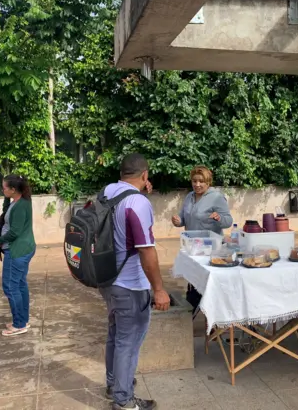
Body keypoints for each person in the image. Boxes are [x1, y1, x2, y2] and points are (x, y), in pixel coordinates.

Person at [101, 153, 170, 410]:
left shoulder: (108, 191)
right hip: (129, 284)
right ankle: (124, 400)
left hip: (107, 279)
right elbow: (145, 249)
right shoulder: (137, 203)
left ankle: (113, 384)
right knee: (128, 343)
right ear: (144, 175)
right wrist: (160, 290)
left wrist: (141, 193)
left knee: (115, 335)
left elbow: (121, 222)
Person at [0, 175, 36, 337]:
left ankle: (19, 324)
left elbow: (15, 231)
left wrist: (0, 240)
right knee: (20, 284)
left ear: (13, 190)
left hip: (17, 250)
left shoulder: (20, 206)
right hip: (23, 248)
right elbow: (6, 213)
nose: (2, 189)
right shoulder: (19, 202)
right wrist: (6, 199)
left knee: (11, 287)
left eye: (4, 188)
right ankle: (22, 319)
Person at [171, 165, 233, 235]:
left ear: (208, 182)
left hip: (210, 243)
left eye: (201, 181)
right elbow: (183, 217)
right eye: (194, 181)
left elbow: (229, 221)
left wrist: (219, 218)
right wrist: (178, 221)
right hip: (191, 242)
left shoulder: (217, 197)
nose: (197, 184)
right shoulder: (189, 196)